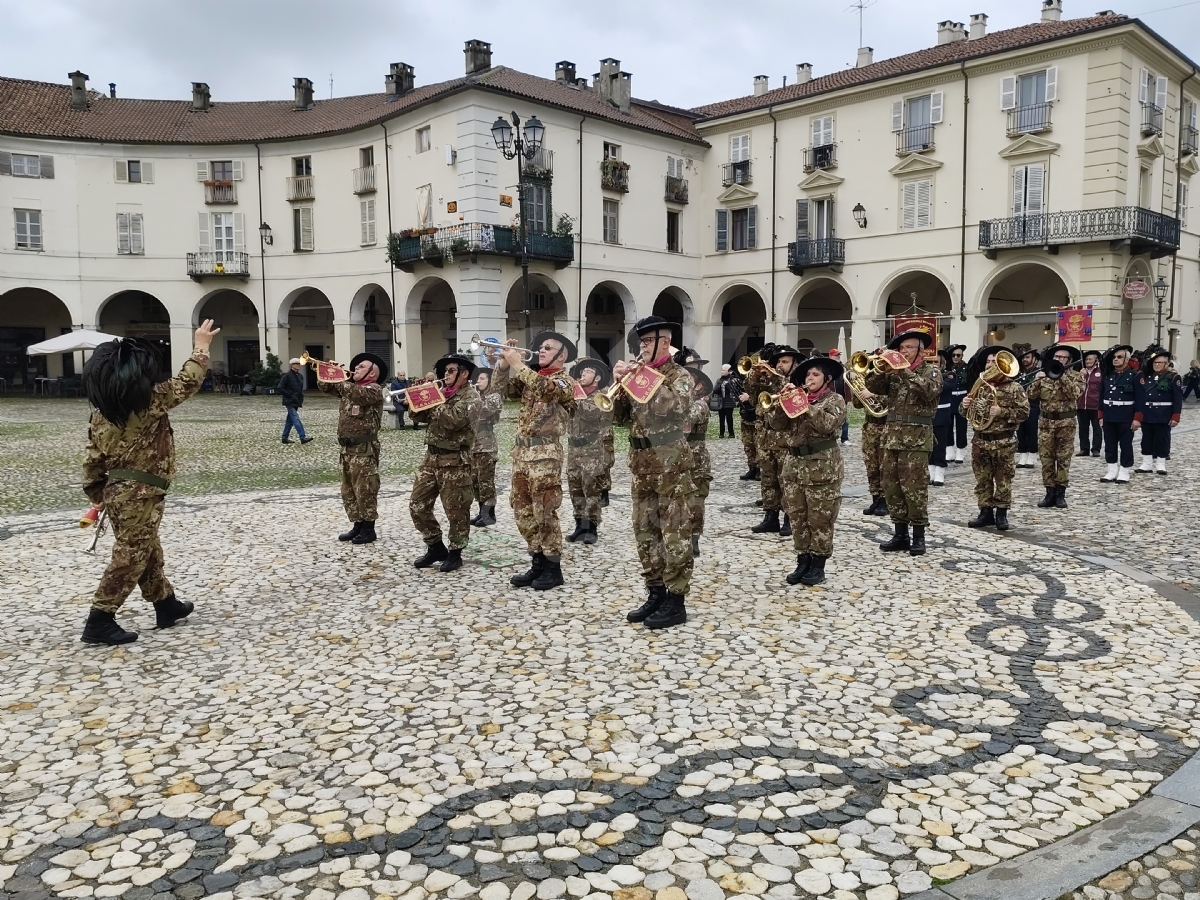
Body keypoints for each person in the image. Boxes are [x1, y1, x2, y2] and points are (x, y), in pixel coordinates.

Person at [79, 320, 219, 645]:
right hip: (141, 494)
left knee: (147, 549)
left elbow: (92, 461)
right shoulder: (149, 401)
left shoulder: (100, 414)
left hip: (118, 493)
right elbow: (188, 381)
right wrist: (201, 346)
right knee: (131, 555)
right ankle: (100, 618)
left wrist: (98, 494)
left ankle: (165, 604)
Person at [617, 316, 696, 630]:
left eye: (647, 341)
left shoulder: (681, 376)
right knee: (645, 532)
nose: (642, 347)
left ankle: (676, 600)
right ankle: (655, 591)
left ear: (665, 340)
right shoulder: (639, 374)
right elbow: (619, 416)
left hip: (671, 463)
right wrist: (622, 385)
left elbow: (675, 409)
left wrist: (643, 378)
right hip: (641, 463)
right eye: (641, 342)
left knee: (674, 532)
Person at [492, 330, 577, 591]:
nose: (541, 351)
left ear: (562, 356)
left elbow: (546, 392)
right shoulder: (533, 378)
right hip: (522, 454)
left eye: (548, 348)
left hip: (545, 455)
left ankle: (553, 567)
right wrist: (505, 363)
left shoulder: (565, 382)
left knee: (545, 510)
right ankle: (537, 560)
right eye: (540, 347)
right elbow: (499, 390)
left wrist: (519, 364)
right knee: (522, 510)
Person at [772, 355, 847, 586]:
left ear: (827, 378)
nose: (810, 378)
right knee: (797, 516)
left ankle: (818, 564)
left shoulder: (835, 400)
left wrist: (805, 406)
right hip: (794, 466)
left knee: (820, 517)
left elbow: (827, 425)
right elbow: (776, 425)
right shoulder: (797, 398)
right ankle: (802, 558)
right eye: (807, 375)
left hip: (822, 467)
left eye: (815, 374)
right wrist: (781, 403)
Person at [866, 331, 941, 556]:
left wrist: (904, 371)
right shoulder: (894, 374)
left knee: (915, 488)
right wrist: (881, 367)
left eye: (909, 347)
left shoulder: (931, 371)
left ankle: (918, 535)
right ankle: (900, 533)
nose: (904, 351)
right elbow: (873, 386)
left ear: (921, 350)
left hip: (917, 439)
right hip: (891, 438)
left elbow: (928, 391)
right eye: (901, 348)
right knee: (892, 487)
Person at [409, 354, 480, 571]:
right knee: (417, 505)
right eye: (445, 371)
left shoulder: (472, 397)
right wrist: (418, 396)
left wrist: (432, 398)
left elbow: (456, 421)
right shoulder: (442, 393)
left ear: (464, 373)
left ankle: (456, 551)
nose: (445, 375)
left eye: (451, 371)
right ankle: (435, 546)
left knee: (456, 509)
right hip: (431, 458)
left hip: (455, 460)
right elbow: (416, 416)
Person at [321, 351, 388, 544]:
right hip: (346, 448)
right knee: (348, 489)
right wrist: (327, 372)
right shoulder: (350, 388)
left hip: (364, 448)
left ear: (372, 373)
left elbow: (356, 394)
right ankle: (357, 524)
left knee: (365, 488)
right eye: (356, 366)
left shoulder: (374, 389)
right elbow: (325, 387)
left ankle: (369, 528)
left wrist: (340, 377)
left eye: (361, 366)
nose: (356, 368)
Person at [960, 345, 1029, 530]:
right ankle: (985, 512)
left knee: (1003, 479)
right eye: (988, 362)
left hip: (1003, 441)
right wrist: (965, 404)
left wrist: (1002, 412)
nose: (990, 365)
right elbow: (966, 413)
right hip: (980, 440)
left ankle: (1001, 513)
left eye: (994, 362)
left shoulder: (1015, 387)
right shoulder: (979, 384)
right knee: (982, 479)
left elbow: (1024, 413)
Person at [751, 345, 801, 537]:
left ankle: (789, 518)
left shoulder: (797, 380)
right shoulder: (769, 378)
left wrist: (775, 377)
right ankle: (770, 517)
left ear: (794, 363)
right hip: (765, 437)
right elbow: (752, 394)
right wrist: (755, 375)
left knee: (786, 480)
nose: (780, 365)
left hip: (786, 439)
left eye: (785, 362)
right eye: (778, 361)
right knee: (768, 479)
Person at [1027, 344, 1084, 508]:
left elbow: (1074, 394)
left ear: (1070, 360)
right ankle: (1049, 492)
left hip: (1066, 425)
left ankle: (1060, 493)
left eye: (1063, 358)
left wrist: (1061, 375)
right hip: (1046, 424)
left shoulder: (1076, 376)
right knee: (1046, 459)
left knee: (1063, 459)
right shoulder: (1044, 376)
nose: (1059, 360)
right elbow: (1030, 395)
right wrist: (1037, 380)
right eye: (1057, 358)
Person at [566, 358, 615, 546]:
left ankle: (592, 527)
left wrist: (574, 393)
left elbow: (589, 412)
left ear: (597, 378)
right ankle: (579, 525)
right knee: (575, 488)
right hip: (574, 448)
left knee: (591, 488)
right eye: (582, 371)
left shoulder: (603, 395)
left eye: (587, 372)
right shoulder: (575, 394)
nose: (582, 375)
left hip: (592, 449)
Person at [1135, 347, 1183, 475]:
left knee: (1162, 439)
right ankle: (1146, 463)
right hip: (1148, 412)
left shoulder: (1173, 377)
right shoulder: (1147, 376)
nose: (1156, 365)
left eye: (1159, 363)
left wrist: (1176, 415)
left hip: (1164, 413)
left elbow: (1177, 398)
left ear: (1166, 364)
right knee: (1146, 439)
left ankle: (1161, 464)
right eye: (1155, 363)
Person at [854, 349, 889, 516]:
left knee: (885, 465)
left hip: (886, 426)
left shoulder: (893, 377)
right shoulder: (869, 377)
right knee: (871, 465)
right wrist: (859, 389)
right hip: (869, 427)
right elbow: (857, 405)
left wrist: (874, 395)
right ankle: (875, 497)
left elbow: (897, 399)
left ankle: (885, 500)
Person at [468, 367, 502, 527]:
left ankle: (489, 515)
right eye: (478, 379)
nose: (478, 381)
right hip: (473, 446)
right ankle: (481, 512)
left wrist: (473, 397)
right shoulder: (475, 396)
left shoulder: (494, 397)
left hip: (486, 446)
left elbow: (485, 410)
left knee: (486, 482)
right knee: (475, 482)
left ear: (490, 380)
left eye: (482, 379)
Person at [1099, 344, 1137, 483]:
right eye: (1114, 357)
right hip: (1109, 414)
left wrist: (1137, 418)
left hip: (1126, 415)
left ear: (1127, 359)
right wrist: (1101, 415)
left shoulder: (1134, 375)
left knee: (1126, 444)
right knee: (1110, 443)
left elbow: (1140, 398)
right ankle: (1112, 469)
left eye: (1119, 357)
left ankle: (1125, 470)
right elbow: (1101, 396)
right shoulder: (1108, 375)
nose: (1115, 359)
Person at [686, 366, 713, 557]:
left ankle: (694, 537)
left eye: (690, 382)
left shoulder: (701, 404)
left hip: (696, 460)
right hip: (678, 459)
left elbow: (686, 419)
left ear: (700, 386)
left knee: (696, 502)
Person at [928, 348, 955, 487]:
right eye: (930, 361)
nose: (933, 364)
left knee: (940, 444)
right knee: (929, 445)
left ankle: (939, 472)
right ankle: (930, 471)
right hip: (927, 415)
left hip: (942, 414)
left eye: (936, 361)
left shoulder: (949, 375)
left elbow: (942, 388)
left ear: (942, 363)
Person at [1014, 346, 1041, 469]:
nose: (1025, 360)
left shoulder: (1039, 372)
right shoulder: (1018, 373)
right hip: (1019, 406)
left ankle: (1032, 454)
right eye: (1023, 358)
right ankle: (1023, 454)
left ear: (1034, 359)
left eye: (1027, 357)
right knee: (1020, 431)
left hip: (1033, 405)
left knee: (1031, 431)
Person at [278, 358, 313, 444]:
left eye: (299, 364)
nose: (298, 365)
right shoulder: (286, 376)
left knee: (290, 420)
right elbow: (280, 387)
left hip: (297, 400)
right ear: (292, 365)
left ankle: (284, 437)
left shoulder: (300, 376)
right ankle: (302, 436)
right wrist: (289, 394)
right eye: (296, 364)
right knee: (295, 418)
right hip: (289, 400)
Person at [1076, 350, 1103, 456]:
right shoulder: (1081, 372)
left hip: (1095, 405)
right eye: (1086, 359)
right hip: (1082, 404)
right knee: (1083, 428)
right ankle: (1084, 448)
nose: (1087, 361)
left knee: (1097, 428)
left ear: (1096, 361)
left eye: (1090, 359)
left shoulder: (1100, 372)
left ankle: (1096, 449)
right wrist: (1080, 376)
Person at [948, 345, 969, 463]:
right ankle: (949, 449)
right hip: (950, 398)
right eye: (953, 355)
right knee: (948, 426)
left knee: (961, 427)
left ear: (962, 356)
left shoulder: (966, 368)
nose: (956, 357)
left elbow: (969, 383)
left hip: (962, 398)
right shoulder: (947, 367)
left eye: (958, 355)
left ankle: (960, 451)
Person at [714, 364, 741, 438]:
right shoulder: (719, 380)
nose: (722, 371)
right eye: (721, 370)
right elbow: (715, 390)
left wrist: (727, 385)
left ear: (728, 371)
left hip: (729, 402)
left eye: (723, 370)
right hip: (721, 402)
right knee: (721, 418)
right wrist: (720, 385)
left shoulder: (733, 379)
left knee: (729, 418)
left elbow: (734, 390)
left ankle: (731, 433)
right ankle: (721, 433)